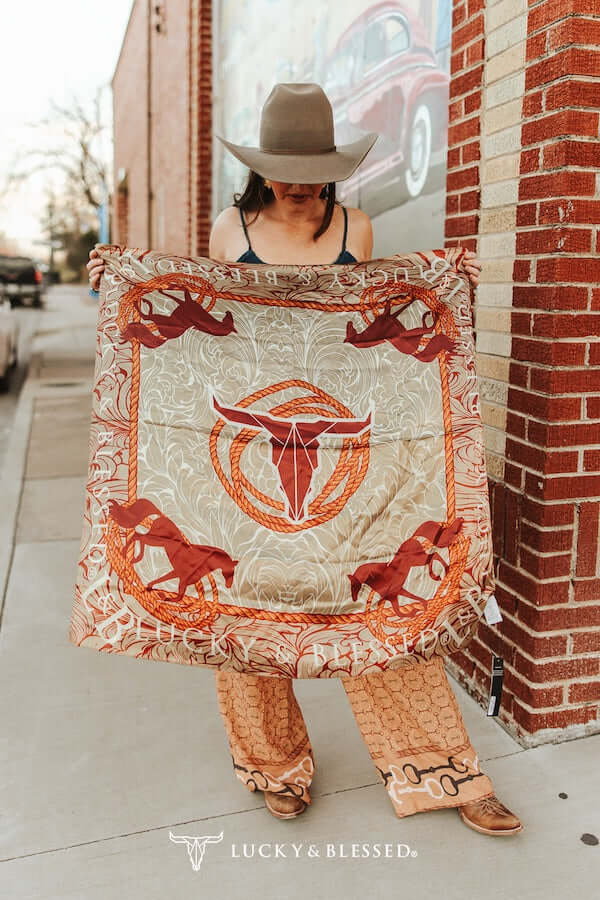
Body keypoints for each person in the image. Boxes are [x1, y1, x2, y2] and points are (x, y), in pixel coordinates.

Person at [87, 82, 523, 836]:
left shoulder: (358, 222)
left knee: (381, 605)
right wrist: (124, 287)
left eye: (313, 165)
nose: (298, 180)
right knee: (244, 604)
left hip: (345, 441)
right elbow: (219, 335)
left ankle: (445, 771)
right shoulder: (232, 227)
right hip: (251, 447)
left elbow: (372, 320)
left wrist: (443, 290)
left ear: (333, 167)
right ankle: (275, 766)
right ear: (262, 166)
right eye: (285, 166)